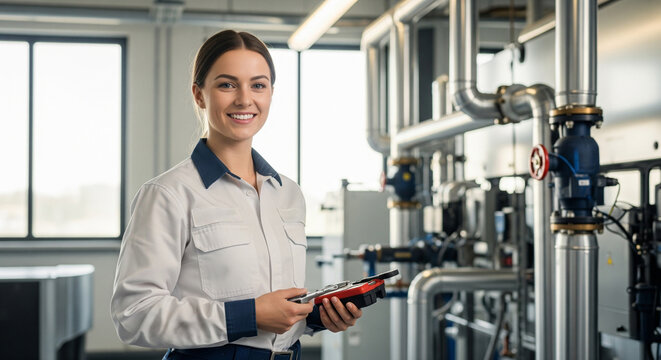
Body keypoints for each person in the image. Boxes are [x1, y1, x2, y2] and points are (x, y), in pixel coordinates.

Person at [110, 30, 362, 360]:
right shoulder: (168, 194)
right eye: (227, 84)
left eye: (258, 85)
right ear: (199, 95)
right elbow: (134, 314)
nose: (245, 99)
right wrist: (248, 316)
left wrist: (314, 317)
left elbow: (275, 310)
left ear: (271, 93)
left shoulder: (288, 193)